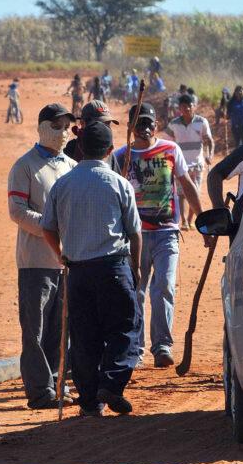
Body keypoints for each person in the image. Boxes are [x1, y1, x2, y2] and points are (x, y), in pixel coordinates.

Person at [41, 121, 142, 416]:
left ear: (81, 148)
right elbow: (135, 233)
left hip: (78, 271)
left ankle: (89, 401)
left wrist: (61, 254)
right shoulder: (118, 183)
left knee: (85, 337)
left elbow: (48, 227)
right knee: (125, 328)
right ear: (110, 150)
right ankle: (111, 383)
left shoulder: (63, 184)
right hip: (113, 267)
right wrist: (135, 267)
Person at [114, 102, 203, 367]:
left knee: (164, 286)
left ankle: (162, 345)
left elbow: (186, 185)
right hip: (135, 236)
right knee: (136, 291)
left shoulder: (170, 149)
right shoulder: (121, 157)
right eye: (139, 123)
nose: (145, 128)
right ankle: (137, 348)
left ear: (157, 124)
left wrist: (203, 220)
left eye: (149, 122)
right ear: (130, 127)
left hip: (167, 233)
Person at [8, 103, 76, 408]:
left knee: (59, 330)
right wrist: (50, 227)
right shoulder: (24, 166)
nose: (63, 133)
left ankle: (57, 384)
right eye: (57, 126)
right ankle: (39, 391)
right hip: (35, 261)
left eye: (67, 127)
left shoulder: (72, 167)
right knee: (34, 329)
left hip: (66, 261)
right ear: (42, 128)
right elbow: (17, 212)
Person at [166, 93, 214, 229]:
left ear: (194, 107)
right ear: (179, 108)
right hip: (180, 165)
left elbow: (209, 140)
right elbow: (167, 143)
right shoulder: (173, 124)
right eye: (183, 106)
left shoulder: (202, 122)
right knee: (181, 194)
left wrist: (209, 155)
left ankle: (190, 220)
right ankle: (184, 222)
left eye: (189, 106)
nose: (186, 109)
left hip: (197, 164)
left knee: (195, 192)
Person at [63, 100, 120, 172]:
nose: (104, 129)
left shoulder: (106, 150)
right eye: (100, 124)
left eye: (107, 124)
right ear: (82, 123)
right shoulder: (71, 148)